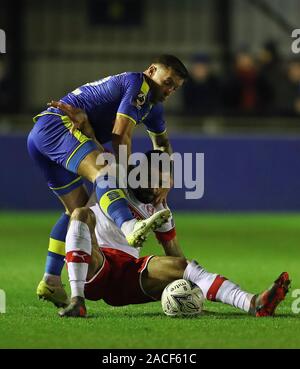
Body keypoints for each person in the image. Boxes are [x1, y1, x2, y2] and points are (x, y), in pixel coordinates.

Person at [27, 55, 188, 306]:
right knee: (107, 173)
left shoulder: (154, 107)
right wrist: (126, 175)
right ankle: (128, 227)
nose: (169, 90)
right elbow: (120, 135)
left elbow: (162, 144)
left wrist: (167, 176)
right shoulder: (138, 84)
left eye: (174, 88)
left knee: (78, 210)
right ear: (151, 70)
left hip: (46, 134)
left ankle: (51, 281)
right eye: (167, 82)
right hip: (59, 126)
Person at [57, 151, 290, 318]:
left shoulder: (160, 211)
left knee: (186, 266)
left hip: (127, 273)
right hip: (95, 264)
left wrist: (192, 290)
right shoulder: (114, 182)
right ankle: (77, 300)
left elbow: (176, 255)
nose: (156, 188)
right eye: (151, 178)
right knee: (81, 214)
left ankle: (253, 303)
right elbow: (100, 150)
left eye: (161, 182)